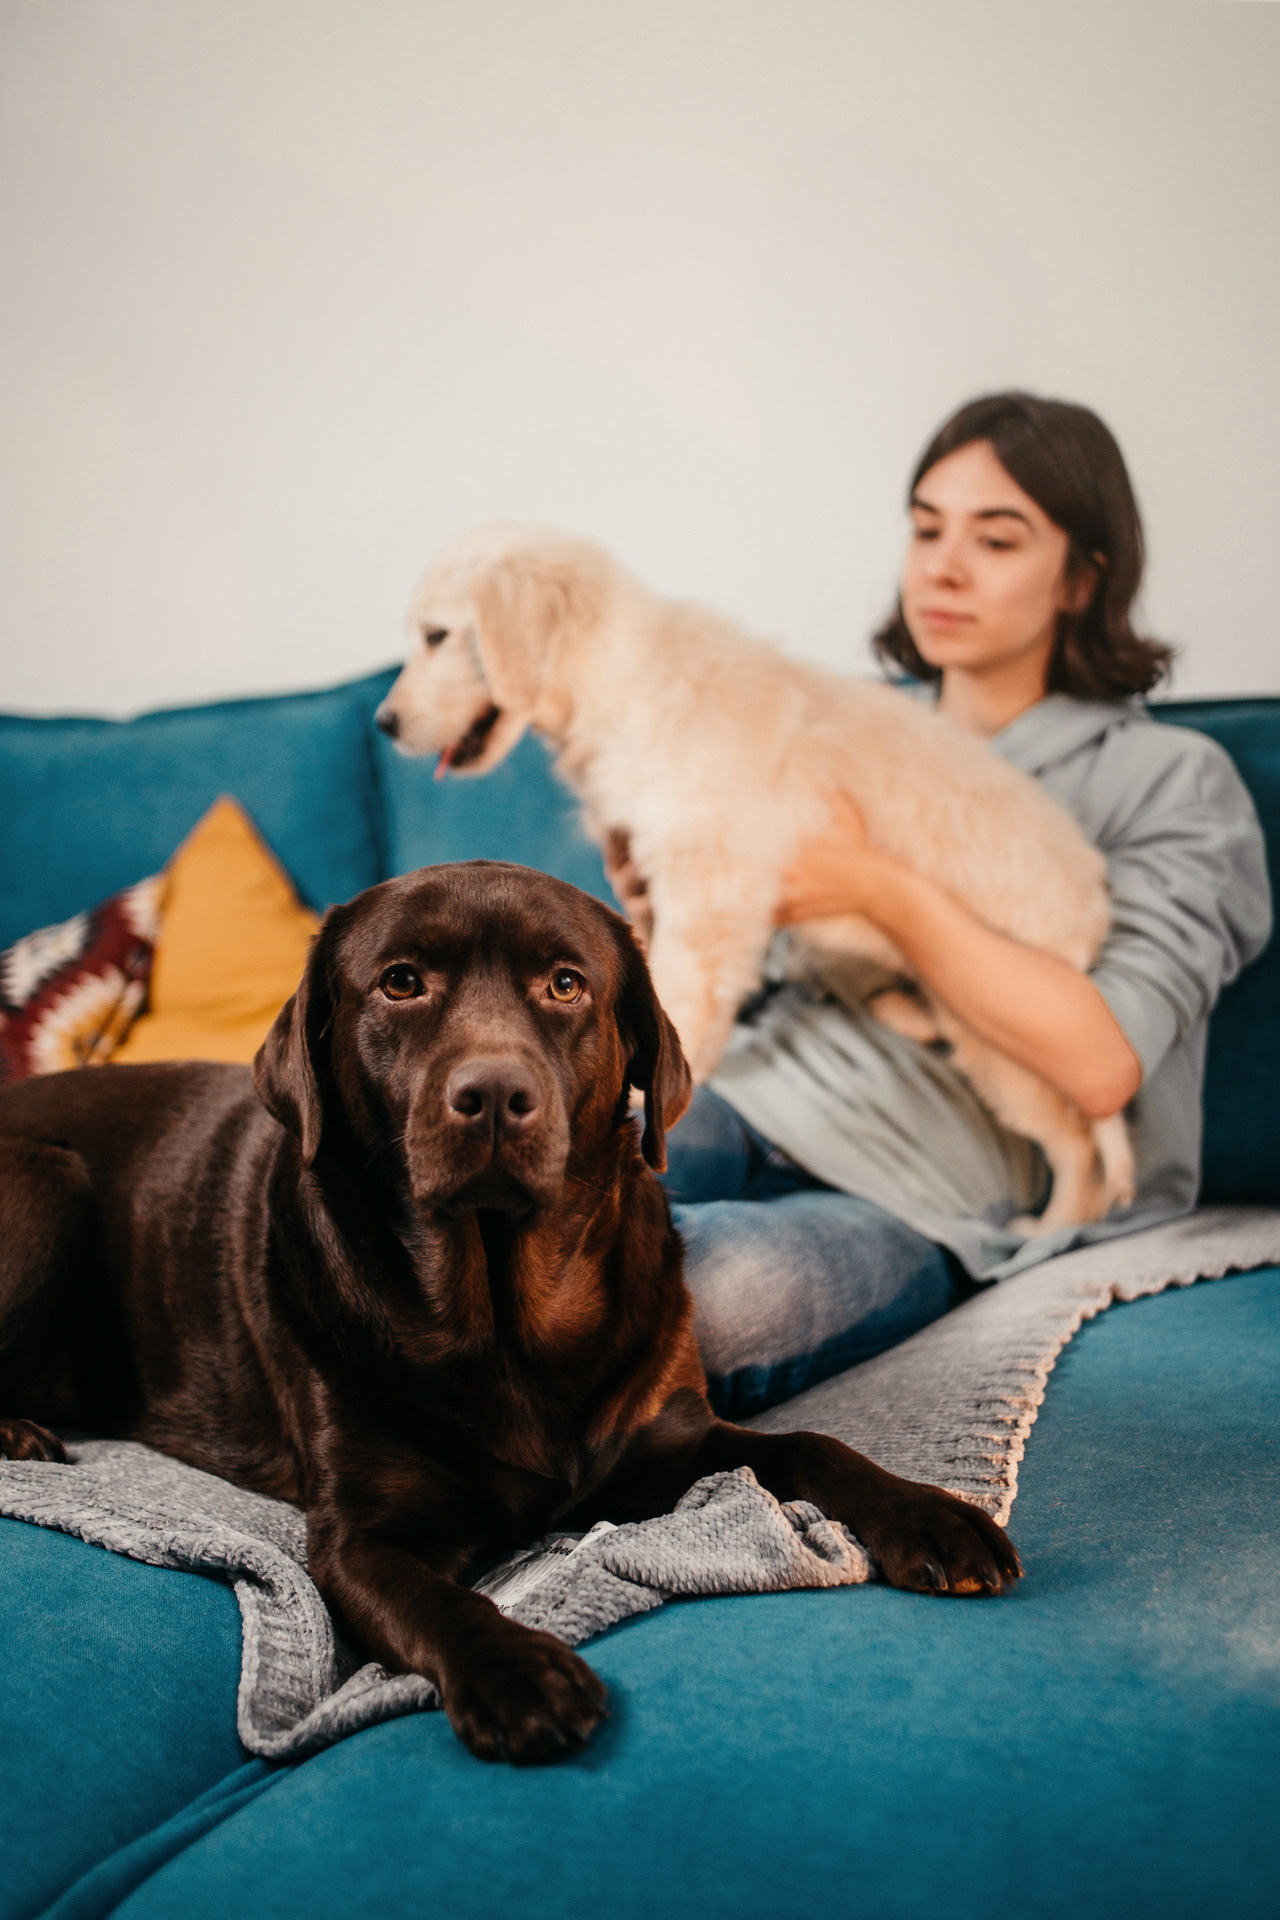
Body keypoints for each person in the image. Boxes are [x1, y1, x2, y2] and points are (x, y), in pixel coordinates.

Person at [605, 392, 1272, 1421]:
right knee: (500, 1176)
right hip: (747, 1089)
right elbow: (736, 981)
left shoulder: (1168, 780)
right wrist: (659, 907)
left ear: (1081, 573)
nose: (940, 567)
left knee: (691, 1300)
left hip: (921, 1188)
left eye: (995, 539)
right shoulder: (839, 731)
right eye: (925, 528)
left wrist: (876, 886)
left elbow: (1099, 1064)